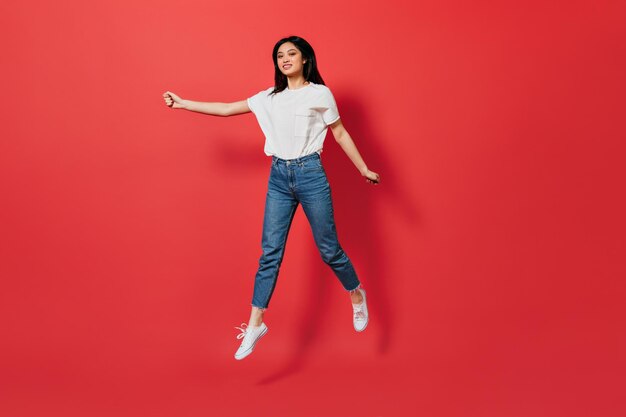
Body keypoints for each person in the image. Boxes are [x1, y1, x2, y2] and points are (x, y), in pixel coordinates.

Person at [162, 35, 380, 360]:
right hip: (279, 177)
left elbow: (340, 132)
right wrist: (183, 103)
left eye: (292, 54)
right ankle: (255, 324)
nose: (285, 59)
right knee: (270, 254)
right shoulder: (269, 98)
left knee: (329, 249)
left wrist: (363, 168)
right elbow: (226, 109)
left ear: (305, 59)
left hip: (310, 175)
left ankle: (356, 293)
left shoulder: (319, 94)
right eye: (280, 55)